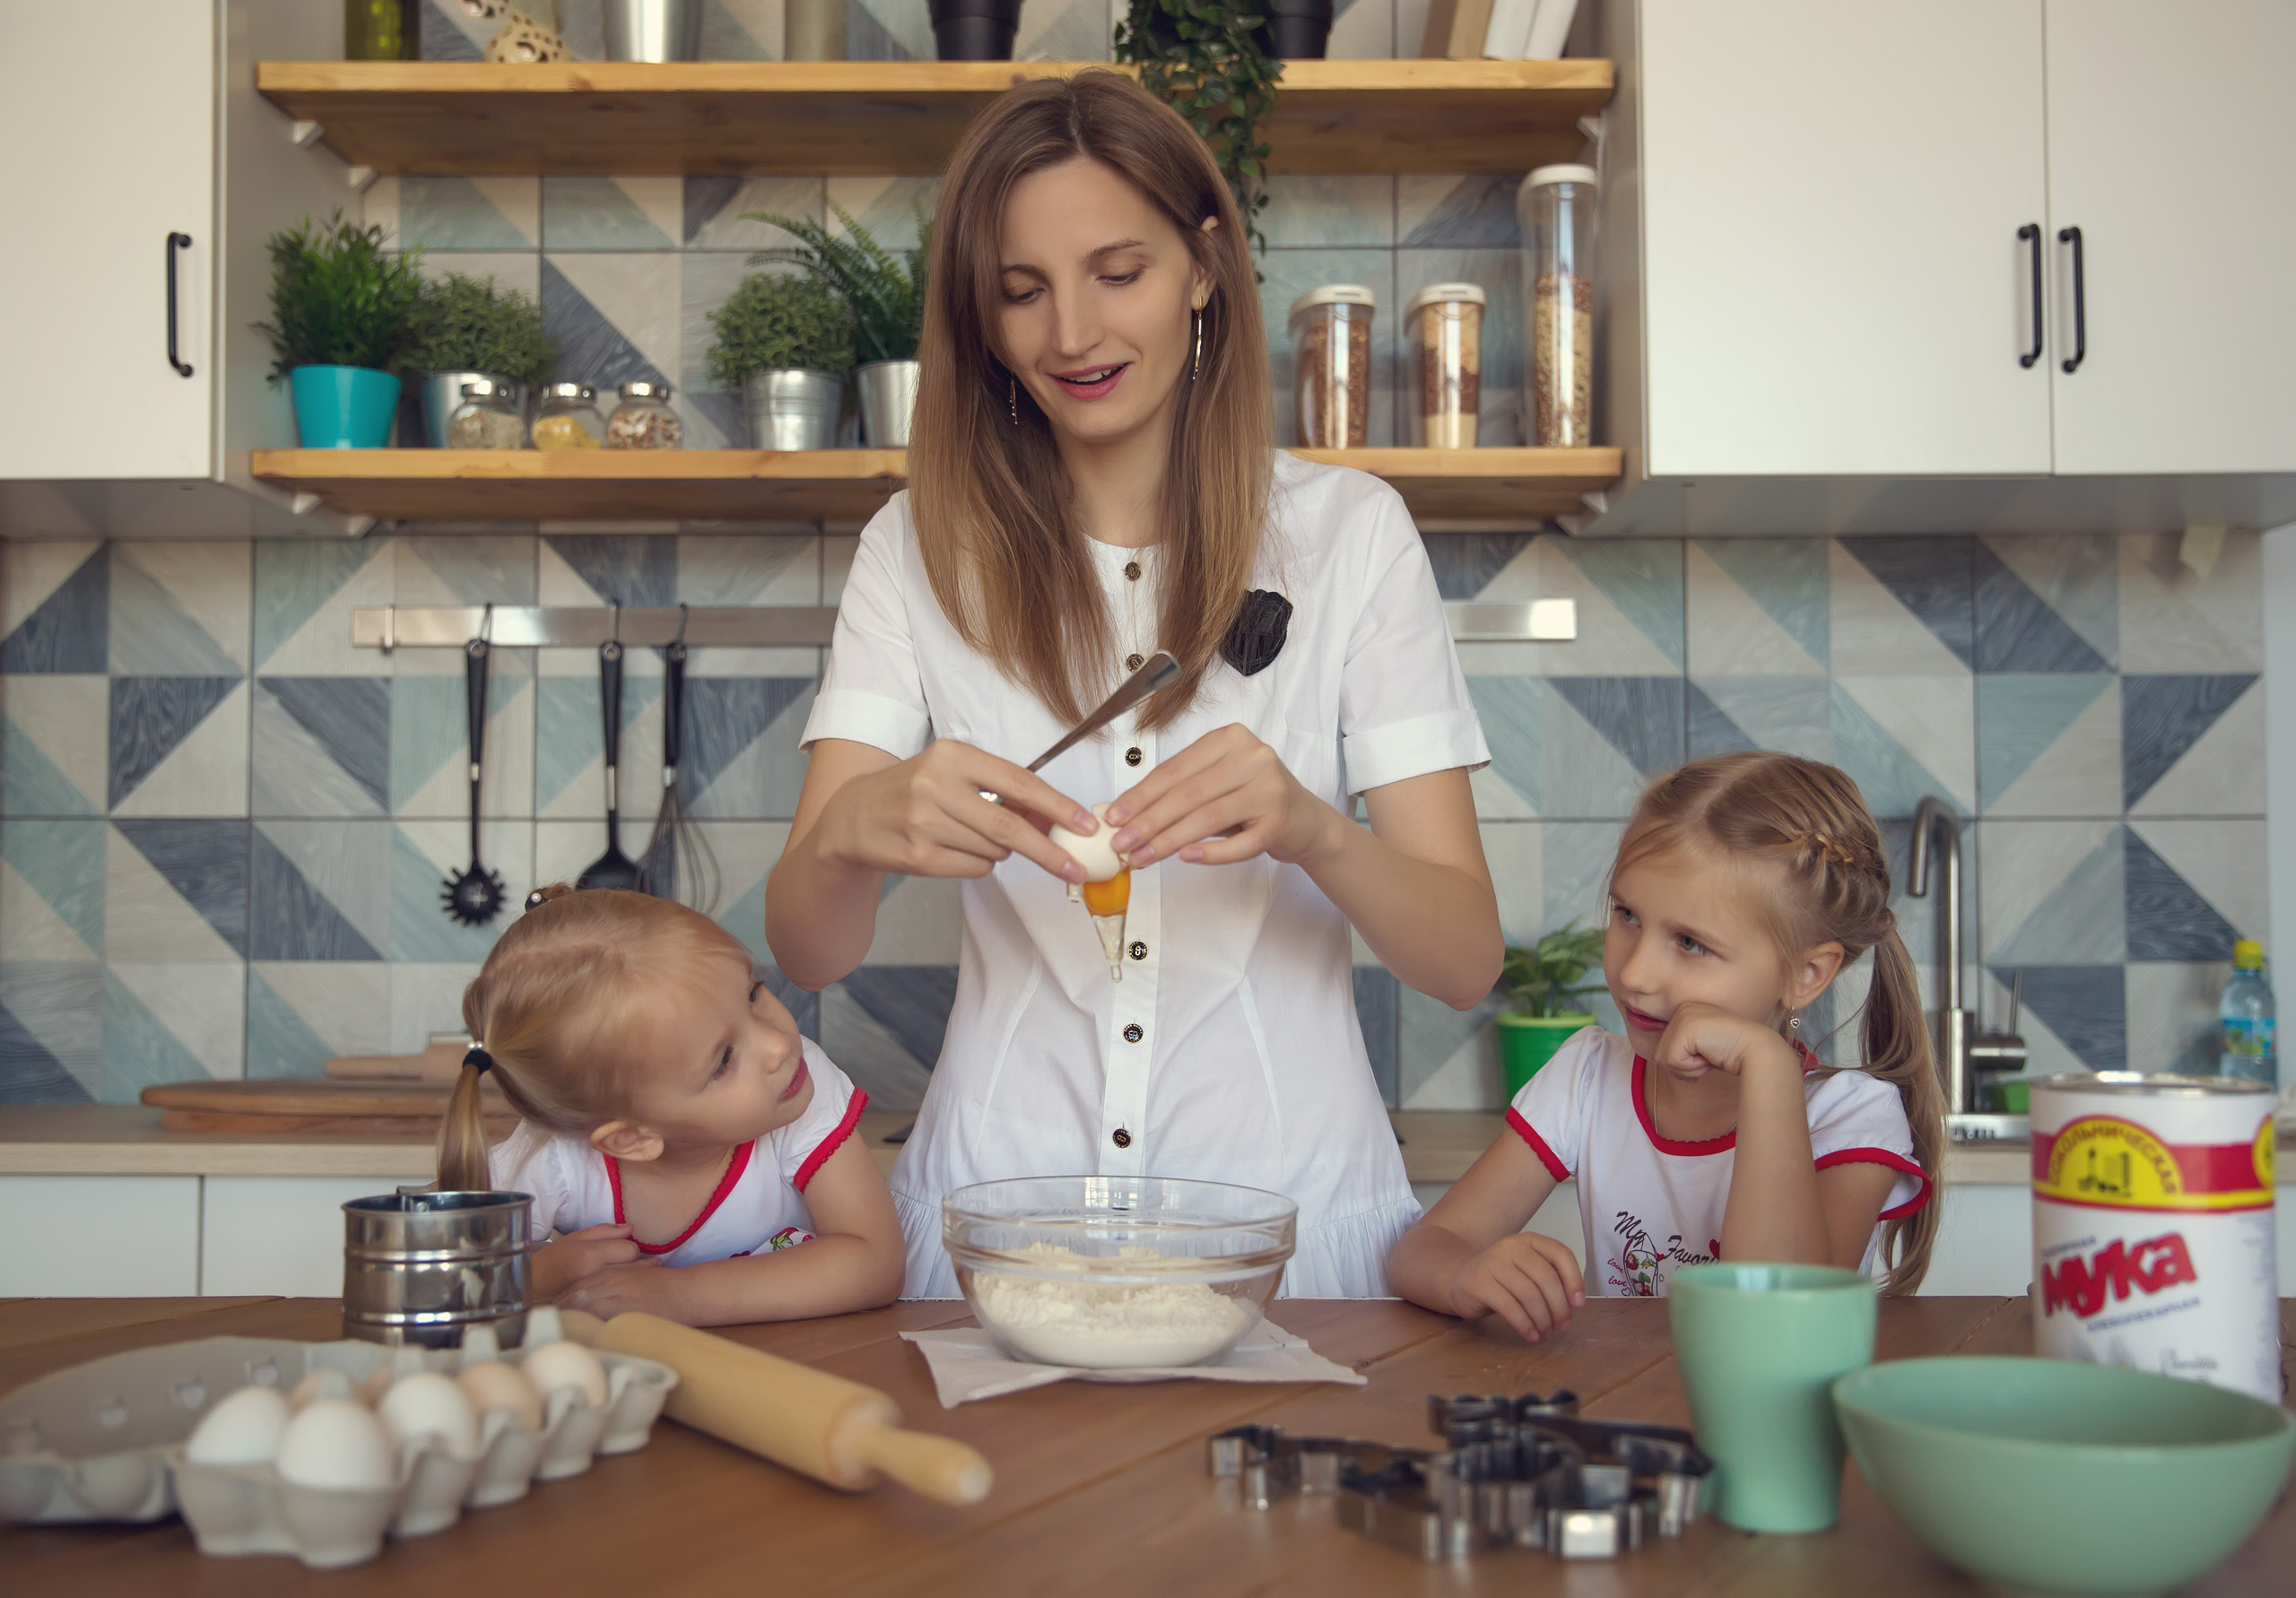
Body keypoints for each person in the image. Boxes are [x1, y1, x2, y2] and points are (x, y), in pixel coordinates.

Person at [765, 72, 1502, 1298]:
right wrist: (850, 835)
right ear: (981, 318)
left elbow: (1464, 959)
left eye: (1118, 272)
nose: (1072, 333)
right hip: (995, 1226)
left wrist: (1314, 828)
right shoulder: (914, 547)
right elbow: (808, 948)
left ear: (1203, 266)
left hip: (1294, 1228)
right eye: (1022, 291)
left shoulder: (1351, 533)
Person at [1388, 752, 1943, 1338]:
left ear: (1806, 975)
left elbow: (1776, 1327)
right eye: (1627, 914)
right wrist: (1464, 1274)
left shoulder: (1852, 1118)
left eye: (1691, 943)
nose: (1635, 974)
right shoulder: (1587, 1077)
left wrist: (1769, 1068)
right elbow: (1422, 1249)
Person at [435, 886, 905, 1326]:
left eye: (753, 994)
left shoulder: (801, 1091)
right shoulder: (553, 1159)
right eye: (724, 1060)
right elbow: (436, 1272)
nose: (779, 1045)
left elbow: (876, 1262)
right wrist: (541, 1275)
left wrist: (680, 1296)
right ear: (631, 1138)